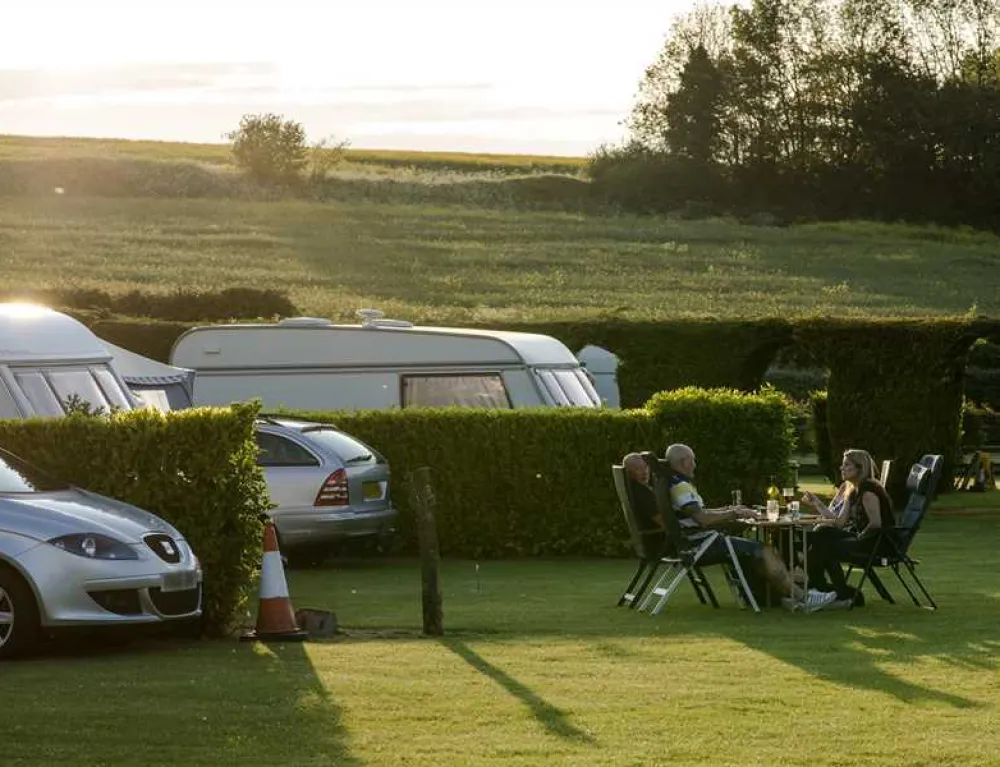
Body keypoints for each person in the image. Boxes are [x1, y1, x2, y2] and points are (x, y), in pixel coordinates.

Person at [660, 443, 837, 613]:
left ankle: (778, 598)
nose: (695, 465)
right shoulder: (680, 487)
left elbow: (700, 512)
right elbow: (702, 518)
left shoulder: (674, 483)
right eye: (693, 460)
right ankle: (804, 598)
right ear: (683, 462)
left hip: (695, 541)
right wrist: (734, 514)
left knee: (753, 553)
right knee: (763, 550)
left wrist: (733, 509)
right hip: (701, 543)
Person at [801, 448, 895, 606]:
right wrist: (817, 503)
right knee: (821, 532)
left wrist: (858, 538)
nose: (841, 468)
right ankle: (832, 590)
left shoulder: (868, 491)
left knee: (824, 544)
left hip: (876, 542)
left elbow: (876, 524)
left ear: (859, 468)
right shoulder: (852, 490)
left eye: (846, 465)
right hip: (862, 537)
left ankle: (826, 589)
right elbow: (839, 522)